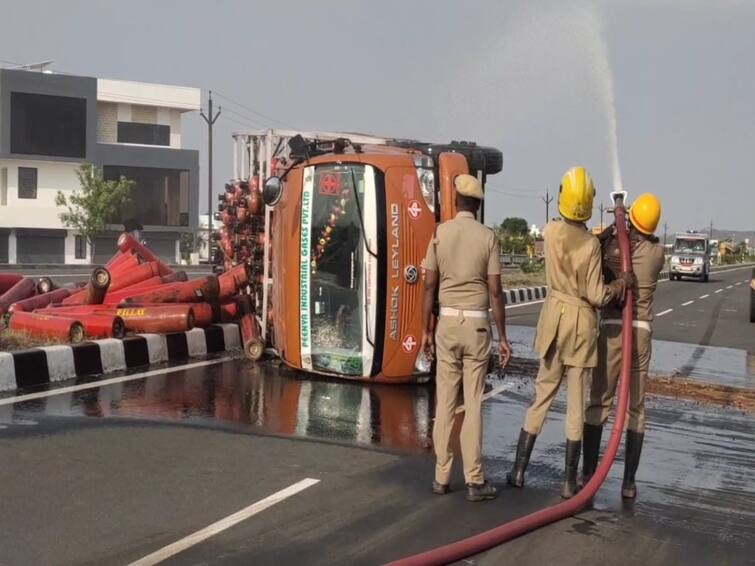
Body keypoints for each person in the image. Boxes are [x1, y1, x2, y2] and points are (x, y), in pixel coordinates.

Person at [507, 166, 631, 499]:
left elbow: (569, 237)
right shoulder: (591, 245)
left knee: (542, 394)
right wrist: (619, 285)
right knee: (576, 403)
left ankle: (518, 470)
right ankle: (568, 481)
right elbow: (595, 294)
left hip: (552, 318)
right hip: (580, 323)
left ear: (562, 197)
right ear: (588, 202)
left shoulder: (548, 232)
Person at [421, 174, 512, 502]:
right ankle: (475, 480)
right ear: (477, 204)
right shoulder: (488, 237)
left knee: (445, 400)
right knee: (472, 402)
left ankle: (441, 476)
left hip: (446, 323)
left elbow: (429, 286)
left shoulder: (440, 233)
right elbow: (496, 291)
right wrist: (503, 337)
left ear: (456, 201)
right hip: (476, 326)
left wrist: (425, 331)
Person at [583, 192, 664, 499]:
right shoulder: (657, 254)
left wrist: (616, 218)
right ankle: (629, 482)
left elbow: (602, 247)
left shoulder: (616, 245)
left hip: (614, 328)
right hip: (641, 333)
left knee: (599, 399)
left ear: (632, 220)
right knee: (636, 407)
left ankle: (588, 473)